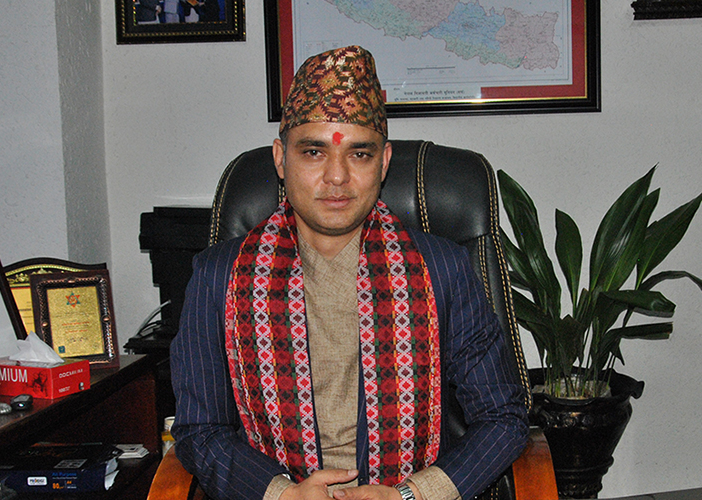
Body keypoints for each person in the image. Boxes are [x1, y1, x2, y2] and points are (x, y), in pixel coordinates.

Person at [170, 46, 528, 500]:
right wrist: (282, 494)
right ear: (281, 158)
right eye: (313, 152)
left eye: (359, 154)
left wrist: (411, 495)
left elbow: (503, 417)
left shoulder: (442, 270)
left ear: (384, 161)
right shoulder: (218, 277)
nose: (337, 177)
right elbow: (200, 431)